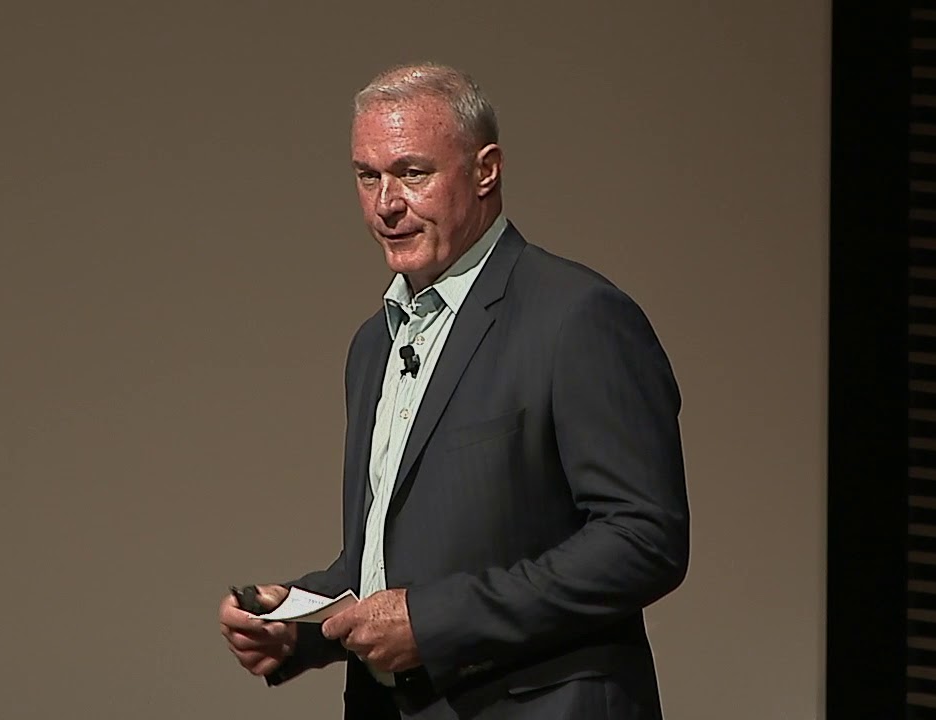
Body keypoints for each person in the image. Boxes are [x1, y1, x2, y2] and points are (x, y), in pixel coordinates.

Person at [218, 62, 690, 720]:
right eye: (367, 176)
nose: (386, 204)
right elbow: (393, 560)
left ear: (486, 170)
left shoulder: (576, 317)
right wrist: (301, 621)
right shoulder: (373, 344)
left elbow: (643, 538)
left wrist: (435, 622)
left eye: (413, 173)